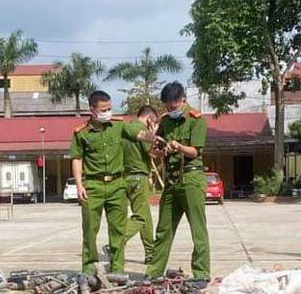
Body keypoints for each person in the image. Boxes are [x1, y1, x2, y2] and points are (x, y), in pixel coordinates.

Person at [69, 91, 146, 275]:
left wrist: (157, 138)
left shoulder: (118, 126)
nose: (107, 112)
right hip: (93, 187)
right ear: (92, 110)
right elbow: (77, 159)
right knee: (89, 230)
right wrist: (79, 185)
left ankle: (117, 268)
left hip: (117, 186)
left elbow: (139, 134)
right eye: (103, 109)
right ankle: (89, 268)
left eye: (109, 108)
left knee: (118, 230)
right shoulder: (82, 133)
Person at [145, 82, 211, 281]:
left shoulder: (196, 119)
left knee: (197, 229)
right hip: (171, 182)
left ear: (183, 100)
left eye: (173, 106)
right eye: (167, 106)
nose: (170, 110)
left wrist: (179, 147)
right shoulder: (165, 122)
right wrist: (160, 149)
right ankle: (154, 272)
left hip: (191, 178)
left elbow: (195, 151)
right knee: (163, 229)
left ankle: (201, 274)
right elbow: (154, 151)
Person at [121, 105, 160, 265]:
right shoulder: (141, 130)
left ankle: (150, 252)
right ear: (150, 119)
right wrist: (155, 133)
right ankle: (117, 242)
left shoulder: (127, 129)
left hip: (125, 177)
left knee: (140, 216)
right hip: (139, 177)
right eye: (154, 121)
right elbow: (151, 151)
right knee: (142, 217)